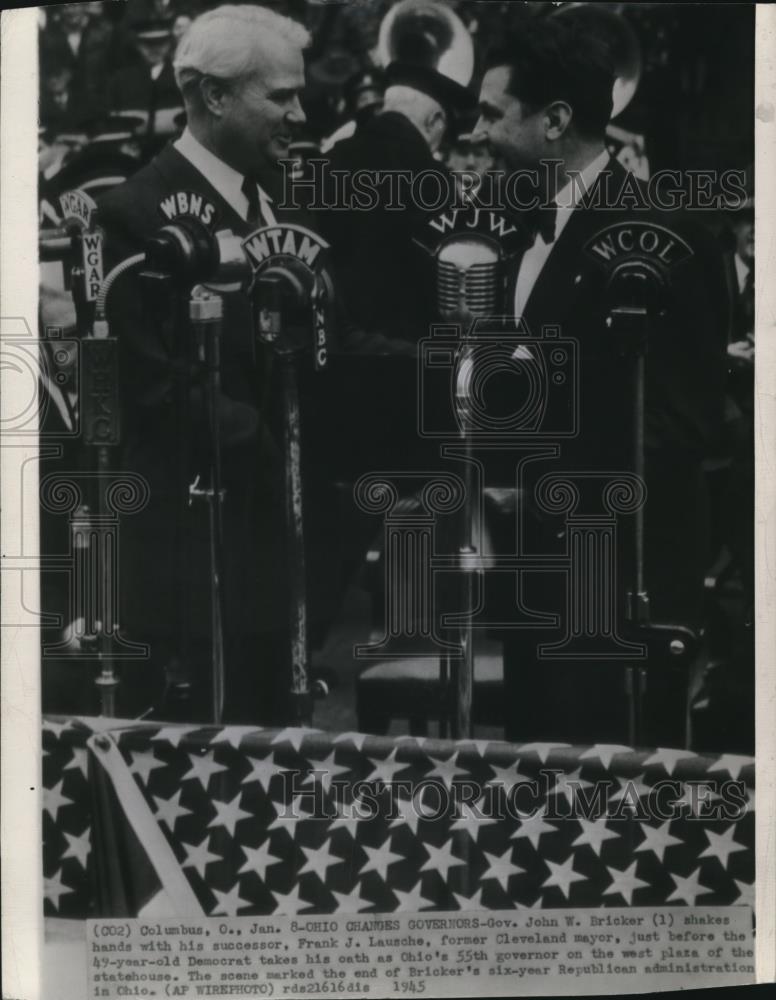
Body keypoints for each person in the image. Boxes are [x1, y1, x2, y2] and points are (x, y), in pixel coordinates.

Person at [473, 19, 728, 745]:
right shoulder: (515, 224)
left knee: (606, 815)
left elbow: (683, 425)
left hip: (615, 585)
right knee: (535, 801)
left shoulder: (667, 237)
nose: (478, 133)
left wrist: (536, 463)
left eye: (493, 114)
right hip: (534, 578)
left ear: (554, 121)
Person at [97, 4, 316, 724]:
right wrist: (279, 447)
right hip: (191, 556)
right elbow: (157, 389)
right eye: (281, 97)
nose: (300, 114)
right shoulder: (137, 211)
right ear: (215, 96)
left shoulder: (267, 199)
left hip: (260, 540)